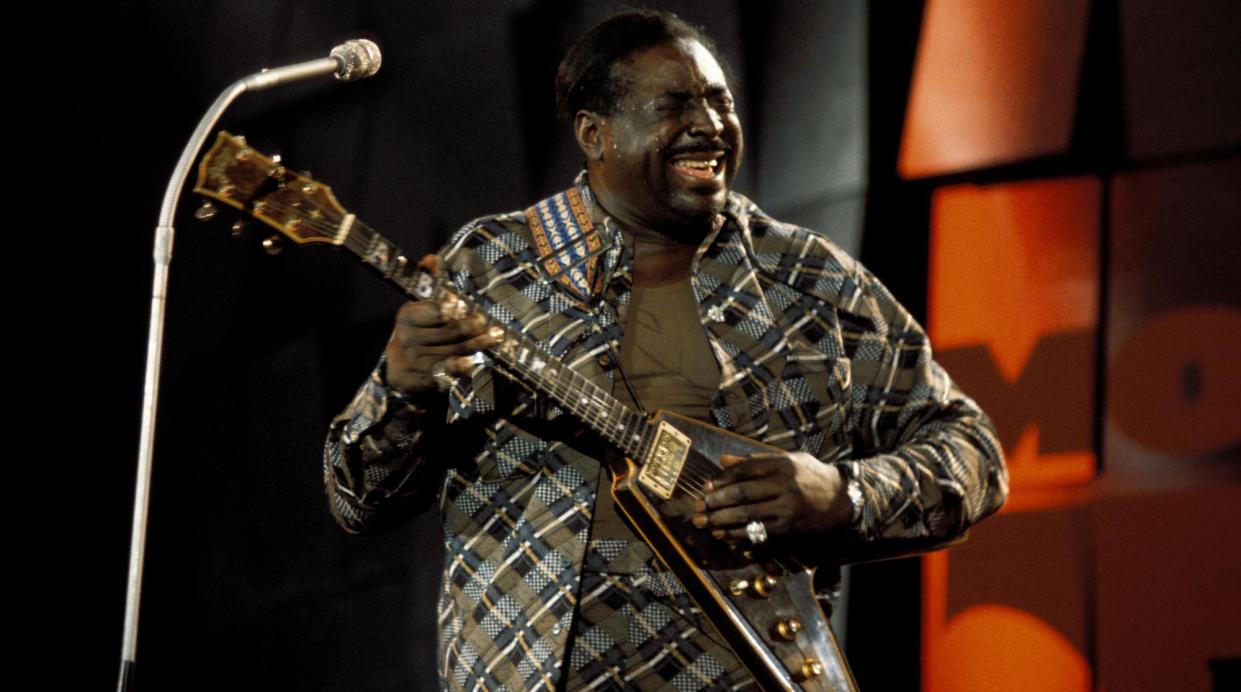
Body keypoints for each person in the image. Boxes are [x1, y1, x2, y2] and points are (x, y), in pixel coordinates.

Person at [324, 10, 1007, 691]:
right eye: (675, 105)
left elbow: (972, 453)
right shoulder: (493, 269)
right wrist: (401, 388)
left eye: (719, 102)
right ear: (597, 134)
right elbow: (357, 498)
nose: (709, 124)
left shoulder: (809, 279)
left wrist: (841, 494)